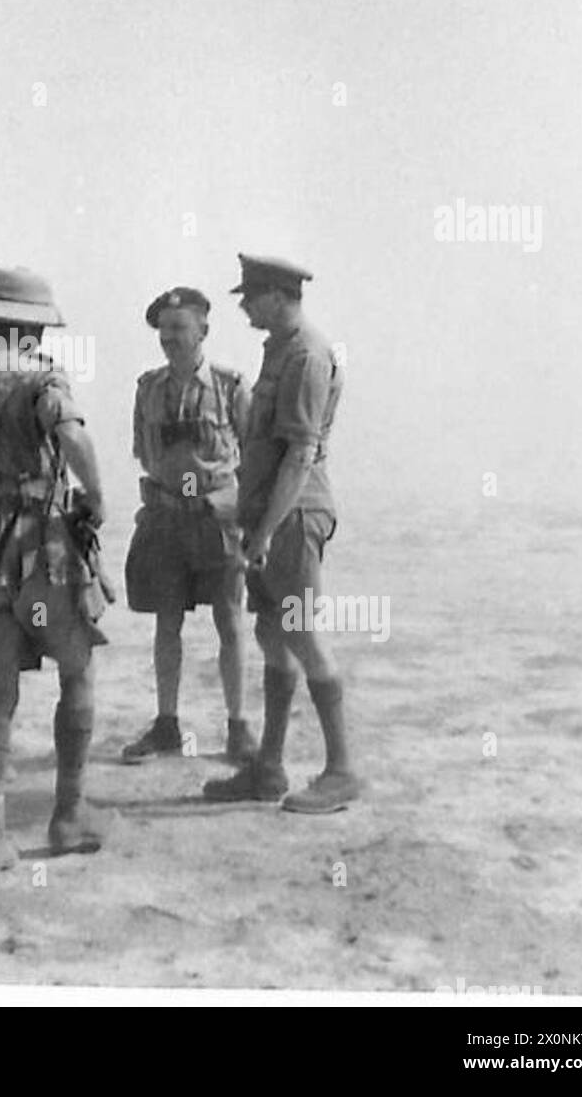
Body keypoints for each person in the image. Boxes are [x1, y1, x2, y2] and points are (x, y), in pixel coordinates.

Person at [0, 267, 114, 883]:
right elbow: (72, 436)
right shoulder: (42, 379)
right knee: (77, 670)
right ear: (34, 329)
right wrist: (98, 498)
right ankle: (67, 816)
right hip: (47, 549)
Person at [202, 254, 362, 813]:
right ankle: (267, 767)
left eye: (251, 295)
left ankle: (342, 770)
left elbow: (299, 452)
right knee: (274, 634)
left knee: (301, 633)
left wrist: (266, 532)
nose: (244, 305)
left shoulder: (307, 355)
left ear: (279, 295)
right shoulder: (280, 350)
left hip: (291, 517)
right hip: (270, 517)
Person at [121, 287, 255, 767]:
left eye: (179, 329)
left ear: (203, 331)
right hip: (166, 519)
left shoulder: (229, 386)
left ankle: (239, 728)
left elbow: (253, 453)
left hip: (216, 520)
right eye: (164, 330)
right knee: (167, 622)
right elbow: (144, 449)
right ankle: (166, 724)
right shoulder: (148, 389)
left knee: (229, 621)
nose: (170, 339)